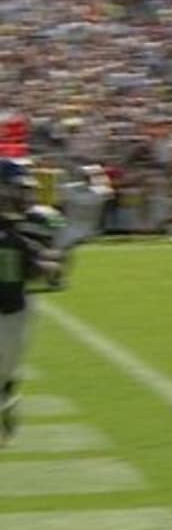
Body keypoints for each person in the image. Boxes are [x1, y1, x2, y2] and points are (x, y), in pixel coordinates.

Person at [0, 181, 63, 445]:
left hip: (12, 311)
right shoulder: (17, 238)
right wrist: (51, 268)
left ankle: (6, 405)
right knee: (7, 372)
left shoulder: (16, 238)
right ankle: (6, 405)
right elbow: (35, 271)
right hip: (14, 311)